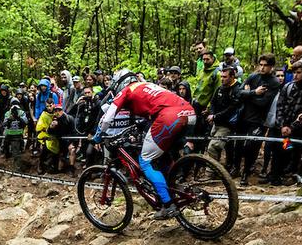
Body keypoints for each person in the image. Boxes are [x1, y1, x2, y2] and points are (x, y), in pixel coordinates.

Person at [95, 71, 197, 219]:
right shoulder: (149, 85)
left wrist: (97, 137)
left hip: (169, 117)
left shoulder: (126, 90)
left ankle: (168, 205)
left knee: (145, 161)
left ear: (120, 83)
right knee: (163, 156)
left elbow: (107, 119)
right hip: (189, 113)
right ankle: (174, 187)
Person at [232, 53, 281, 185]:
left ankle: (246, 173)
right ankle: (236, 168)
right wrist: (254, 93)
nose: (262, 68)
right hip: (244, 117)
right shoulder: (253, 76)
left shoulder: (274, 82)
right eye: (261, 64)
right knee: (239, 145)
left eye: (265, 65)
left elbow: (263, 103)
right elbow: (238, 93)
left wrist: (248, 95)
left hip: (259, 120)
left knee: (251, 146)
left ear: (271, 67)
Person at [267, 60, 302, 184]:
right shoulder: (288, 87)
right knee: (280, 150)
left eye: (298, 72)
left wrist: (293, 127)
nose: (295, 75)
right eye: (294, 72)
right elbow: (280, 106)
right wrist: (283, 126)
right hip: (284, 129)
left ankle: (290, 175)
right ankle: (275, 176)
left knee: (294, 152)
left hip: (299, 130)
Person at [205, 66, 242, 164]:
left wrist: (215, 116)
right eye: (221, 76)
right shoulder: (220, 88)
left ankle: (210, 173)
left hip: (228, 125)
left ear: (232, 76)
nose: (222, 79)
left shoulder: (237, 89)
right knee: (217, 148)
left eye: (225, 77)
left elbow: (231, 109)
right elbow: (213, 102)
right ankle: (221, 168)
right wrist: (212, 114)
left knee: (213, 147)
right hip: (216, 123)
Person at [2, 97, 29, 170]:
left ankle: (18, 168)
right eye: (13, 104)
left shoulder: (21, 112)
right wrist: (9, 120)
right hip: (9, 134)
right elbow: (3, 124)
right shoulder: (8, 113)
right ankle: (7, 159)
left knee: (16, 152)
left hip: (17, 135)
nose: (14, 106)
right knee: (4, 147)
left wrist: (19, 118)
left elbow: (26, 122)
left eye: (16, 104)